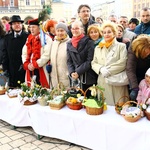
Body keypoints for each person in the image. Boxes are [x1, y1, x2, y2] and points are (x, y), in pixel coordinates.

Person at [91, 21, 129, 106]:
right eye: (104, 32)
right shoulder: (98, 47)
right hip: (103, 80)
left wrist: (108, 70)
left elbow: (123, 62)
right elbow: (94, 63)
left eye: (109, 32)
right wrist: (101, 69)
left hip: (117, 81)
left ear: (114, 33)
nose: (106, 34)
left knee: (119, 107)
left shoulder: (121, 46)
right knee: (104, 107)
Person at [67, 20, 97, 93]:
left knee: (88, 100)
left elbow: (90, 60)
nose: (74, 30)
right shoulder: (69, 43)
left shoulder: (89, 42)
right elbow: (69, 61)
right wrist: (72, 72)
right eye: (73, 29)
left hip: (88, 77)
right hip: (75, 78)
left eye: (77, 28)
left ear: (82, 29)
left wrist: (78, 72)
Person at [22, 18, 52, 88]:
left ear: (39, 28)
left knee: (43, 89)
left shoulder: (45, 38)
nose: (31, 29)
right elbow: (24, 53)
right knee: (31, 88)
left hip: (41, 68)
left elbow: (47, 54)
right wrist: (27, 64)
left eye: (34, 27)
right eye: (30, 27)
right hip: (30, 69)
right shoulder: (29, 38)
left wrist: (36, 64)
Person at [2, 15, 29, 88]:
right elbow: (5, 54)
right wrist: (5, 69)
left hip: (24, 69)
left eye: (19, 23)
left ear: (21, 24)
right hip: (12, 70)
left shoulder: (27, 36)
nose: (17, 25)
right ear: (11, 25)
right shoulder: (7, 37)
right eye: (14, 23)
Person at [126, 34, 150, 101]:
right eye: (143, 53)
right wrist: (134, 88)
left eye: (147, 53)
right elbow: (130, 68)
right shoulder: (133, 48)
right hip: (137, 75)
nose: (145, 55)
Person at [50, 22, 70, 89]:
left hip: (65, 76)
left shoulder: (69, 43)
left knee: (66, 97)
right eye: (58, 31)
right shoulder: (54, 43)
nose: (60, 33)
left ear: (66, 31)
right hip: (54, 76)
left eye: (62, 31)